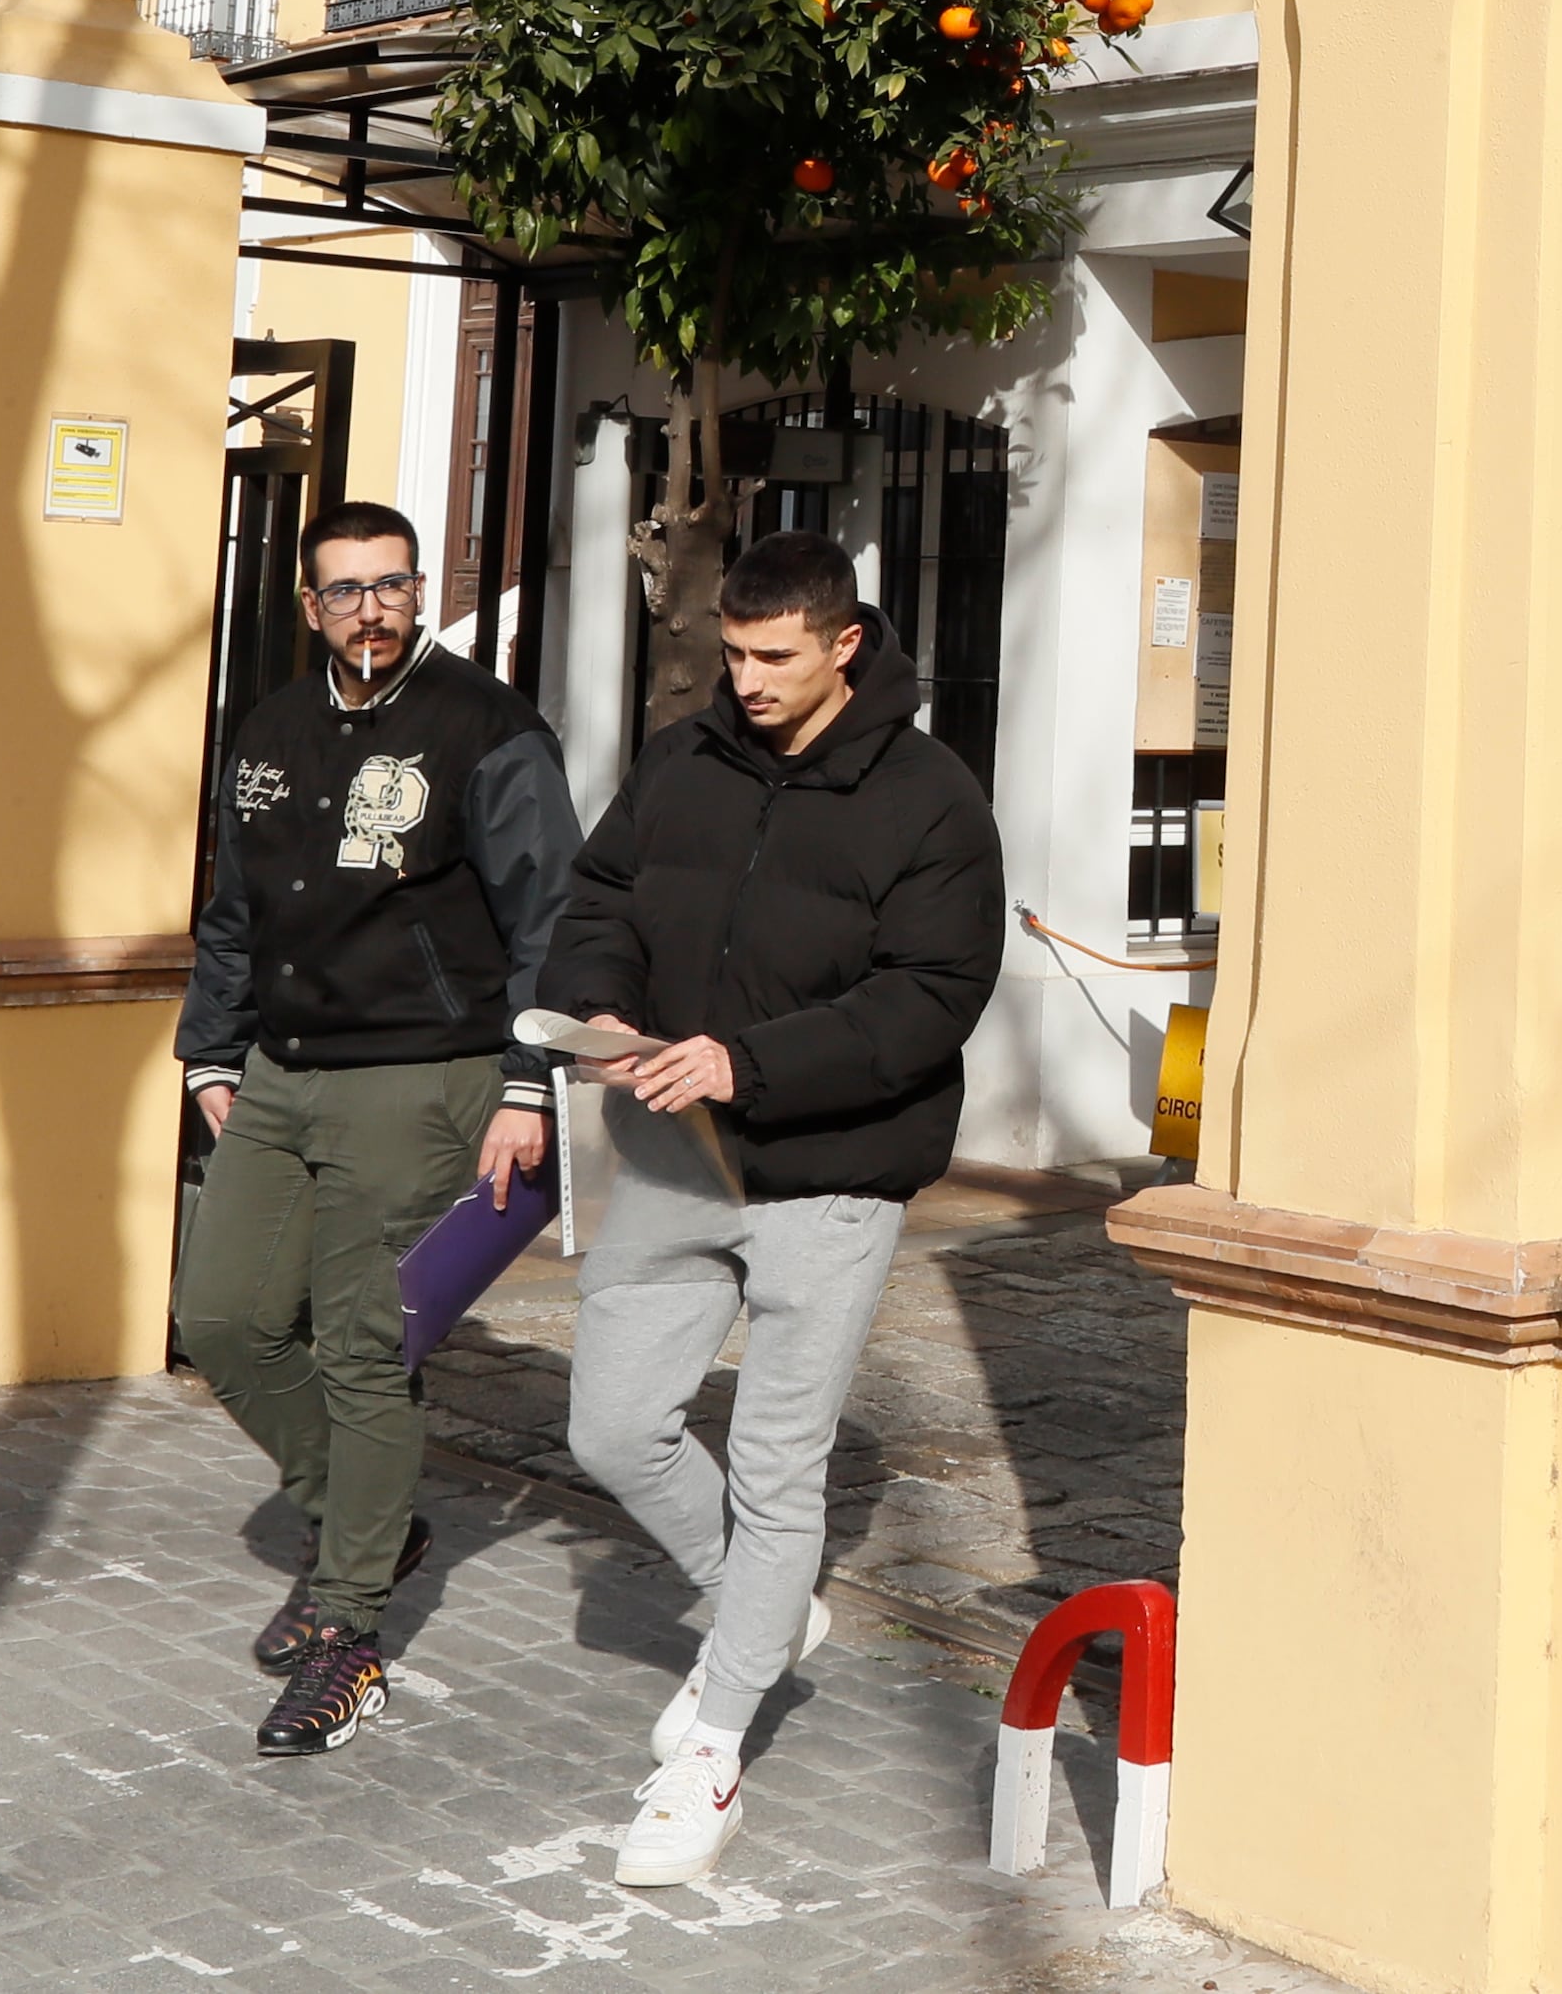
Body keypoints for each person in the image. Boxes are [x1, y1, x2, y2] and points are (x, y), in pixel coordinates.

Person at [540, 529, 1004, 1890]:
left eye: (773, 656)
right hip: (678, 1157)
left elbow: (932, 995)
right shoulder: (686, 760)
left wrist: (753, 1061)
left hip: (837, 1168)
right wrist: (607, 1004)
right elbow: (603, 895)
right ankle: (770, 1609)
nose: (744, 678)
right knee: (613, 1424)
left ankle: (715, 1752)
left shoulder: (931, 798)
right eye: (733, 653)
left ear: (844, 643)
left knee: (778, 1462)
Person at [171, 501, 581, 1759]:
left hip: (425, 1074)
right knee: (224, 1320)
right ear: (309, 606)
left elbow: (550, 922)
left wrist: (527, 1083)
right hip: (281, 1072)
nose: (368, 609)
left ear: (420, 593)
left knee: (361, 1346)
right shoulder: (274, 727)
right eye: (343, 590)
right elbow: (234, 906)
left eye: (389, 586)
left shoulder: (488, 730)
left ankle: (350, 1630)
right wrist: (206, 1048)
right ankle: (366, 1514)